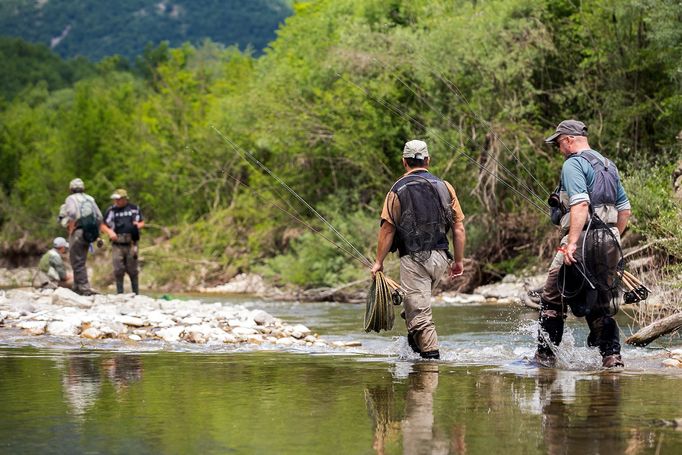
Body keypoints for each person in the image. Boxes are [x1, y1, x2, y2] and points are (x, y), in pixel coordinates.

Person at [535, 120, 631, 368]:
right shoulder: (609, 165)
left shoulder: (573, 164)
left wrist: (573, 243)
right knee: (600, 298)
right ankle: (612, 357)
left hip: (584, 237)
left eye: (558, 143)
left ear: (568, 140)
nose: (558, 149)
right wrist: (613, 238)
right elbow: (625, 210)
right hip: (611, 239)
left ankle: (545, 358)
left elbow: (580, 204)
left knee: (552, 295)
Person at [370, 140, 466, 359]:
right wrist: (458, 261)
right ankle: (415, 343)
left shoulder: (397, 190)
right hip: (441, 258)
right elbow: (458, 228)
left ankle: (431, 361)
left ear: (404, 162)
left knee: (420, 314)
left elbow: (387, 229)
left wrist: (378, 262)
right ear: (427, 160)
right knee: (416, 305)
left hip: (414, 260)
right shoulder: (445, 186)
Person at [61, 178, 104, 296]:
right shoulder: (90, 198)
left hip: (78, 231)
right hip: (90, 233)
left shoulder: (70, 199)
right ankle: (77, 286)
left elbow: (72, 213)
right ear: (83, 188)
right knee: (81, 259)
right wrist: (97, 233)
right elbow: (99, 216)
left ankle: (84, 288)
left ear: (71, 189)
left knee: (76, 260)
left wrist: (71, 227)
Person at [101, 188, 144, 294]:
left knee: (133, 270)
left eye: (118, 199)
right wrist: (110, 232)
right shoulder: (112, 210)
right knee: (118, 269)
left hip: (131, 243)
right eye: (115, 199)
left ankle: (136, 293)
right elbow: (102, 225)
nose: (116, 201)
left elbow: (142, 222)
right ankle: (120, 293)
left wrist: (138, 226)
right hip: (117, 244)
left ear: (125, 199)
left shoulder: (134, 209)